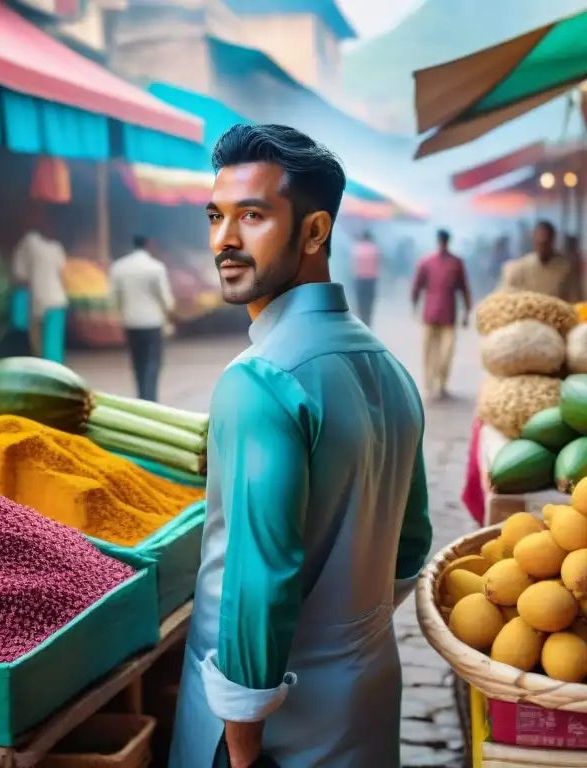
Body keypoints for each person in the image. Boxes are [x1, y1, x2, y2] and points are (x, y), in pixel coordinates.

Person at [170, 124, 431, 768]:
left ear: (315, 232)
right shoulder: (391, 369)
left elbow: (256, 578)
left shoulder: (259, 381)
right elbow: (411, 544)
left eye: (252, 216)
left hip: (273, 737)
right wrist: (344, 625)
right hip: (366, 702)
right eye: (216, 216)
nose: (224, 241)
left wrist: (242, 741)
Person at [108, 235, 175, 402]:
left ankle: (141, 397)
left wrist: (119, 314)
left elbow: (113, 297)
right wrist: (170, 312)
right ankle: (150, 398)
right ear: (148, 245)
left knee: (137, 363)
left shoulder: (118, 267)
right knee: (152, 363)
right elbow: (165, 298)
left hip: (131, 322)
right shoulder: (156, 267)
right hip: (153, 323)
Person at [411, 229, 471, 401]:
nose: (443, 244)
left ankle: (442, 384)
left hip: (449, 314)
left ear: (448, 242)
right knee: (429, 351)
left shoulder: (456, 263)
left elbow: (464, 288)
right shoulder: (426, 262)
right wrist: (415, 305)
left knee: (447, 352)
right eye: (441, 241)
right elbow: (417, 286)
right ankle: (429, 384)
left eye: (445, 241)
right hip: (430, 313)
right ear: (438, 241)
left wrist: (467, 311)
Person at [12, 218, 68, 359]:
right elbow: (62, 272)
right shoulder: (57, 248)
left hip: (39, 299)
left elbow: (19, 273)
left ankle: (44, 369)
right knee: (53, 342)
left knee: (38, 341)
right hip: (58, 300)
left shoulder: (31, 241)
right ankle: (54, 370)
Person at [500, 220, 583, 302]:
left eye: (545, 242)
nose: (542, 247)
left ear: (552, 240)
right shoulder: (522, 266)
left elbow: (575, 297)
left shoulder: (565, 268)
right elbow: (506, 292)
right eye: (539, 242)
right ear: (533, 240)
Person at [350, 230, 380, 326]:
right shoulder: (375, 249)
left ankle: (361, 321)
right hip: (371, 280)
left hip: (359, 279)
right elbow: (379, 264)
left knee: (360, 302)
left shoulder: (356, 248)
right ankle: (368, 322)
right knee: (369, 303)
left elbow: (353, 265)